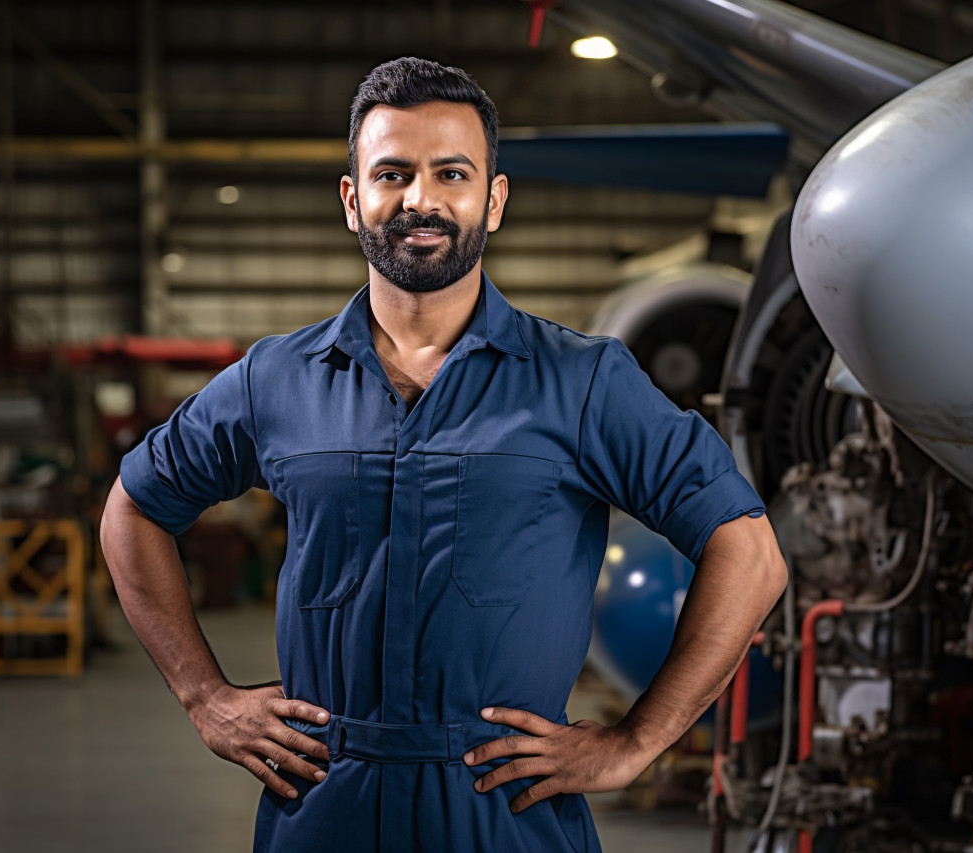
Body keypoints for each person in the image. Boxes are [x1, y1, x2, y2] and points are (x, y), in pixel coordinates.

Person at [100, 57, 787, 852]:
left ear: (492, 201)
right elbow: (135, 505)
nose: (420, 199)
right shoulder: (274, 381)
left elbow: (750, 552)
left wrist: (637, 741)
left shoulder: (582, 382)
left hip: (504, 810)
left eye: (450, 173)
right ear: (353, 199)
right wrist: (205, 697)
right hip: (325, 806)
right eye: (391, 174)